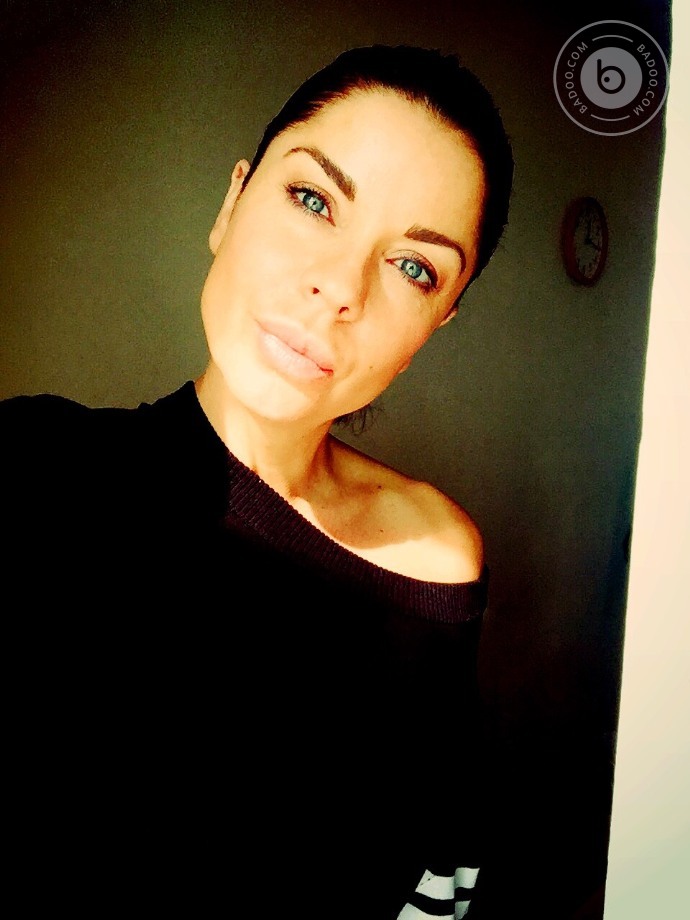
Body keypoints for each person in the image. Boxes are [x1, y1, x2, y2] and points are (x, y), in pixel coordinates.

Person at [2, 45, 513, 918]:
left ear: (436, 322)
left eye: (414, 267)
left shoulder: (436, 560)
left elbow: (440, 876)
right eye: (314, 200)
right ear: (231, 203)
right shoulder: (38, 471)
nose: (339, 287)